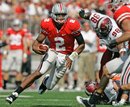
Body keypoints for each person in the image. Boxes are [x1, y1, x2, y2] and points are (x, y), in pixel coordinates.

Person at [6, 3, 85, 104]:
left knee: (50, 86)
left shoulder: (73, 24)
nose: (60, 17)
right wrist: (37, 49)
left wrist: (72, 57)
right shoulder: (47, 23)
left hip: (66, 56)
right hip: (52, 51)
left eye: (62, 14)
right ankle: (15, 94)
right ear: (53, 14)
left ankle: (45, 82)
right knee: (39, 72)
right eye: (58, 15)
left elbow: (82, 44)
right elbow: (36, 43)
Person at [77, 0, 130, 106]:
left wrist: (116, 45)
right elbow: (89, 15)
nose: (101, 32)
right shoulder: (96, 19)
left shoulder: (115, 32)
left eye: (104, 30)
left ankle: (120, 97)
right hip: (111, 48)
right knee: (105, 69)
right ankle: (94, 100)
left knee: (124, 80)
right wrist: (83, 14)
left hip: (123, 50)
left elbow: (122, 48)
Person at [2, 19, 27, 89]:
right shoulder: (10, 31)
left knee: (18, 70)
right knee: (6, 69)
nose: (16, 27)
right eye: (15, 25)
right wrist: (5, 52)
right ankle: (5, 85)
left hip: (19, 51)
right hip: (11, 51)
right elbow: (6, 42)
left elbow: (25, 44)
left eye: (17, 25)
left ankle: (17, 84)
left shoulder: (22, 32)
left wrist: (25, 55)